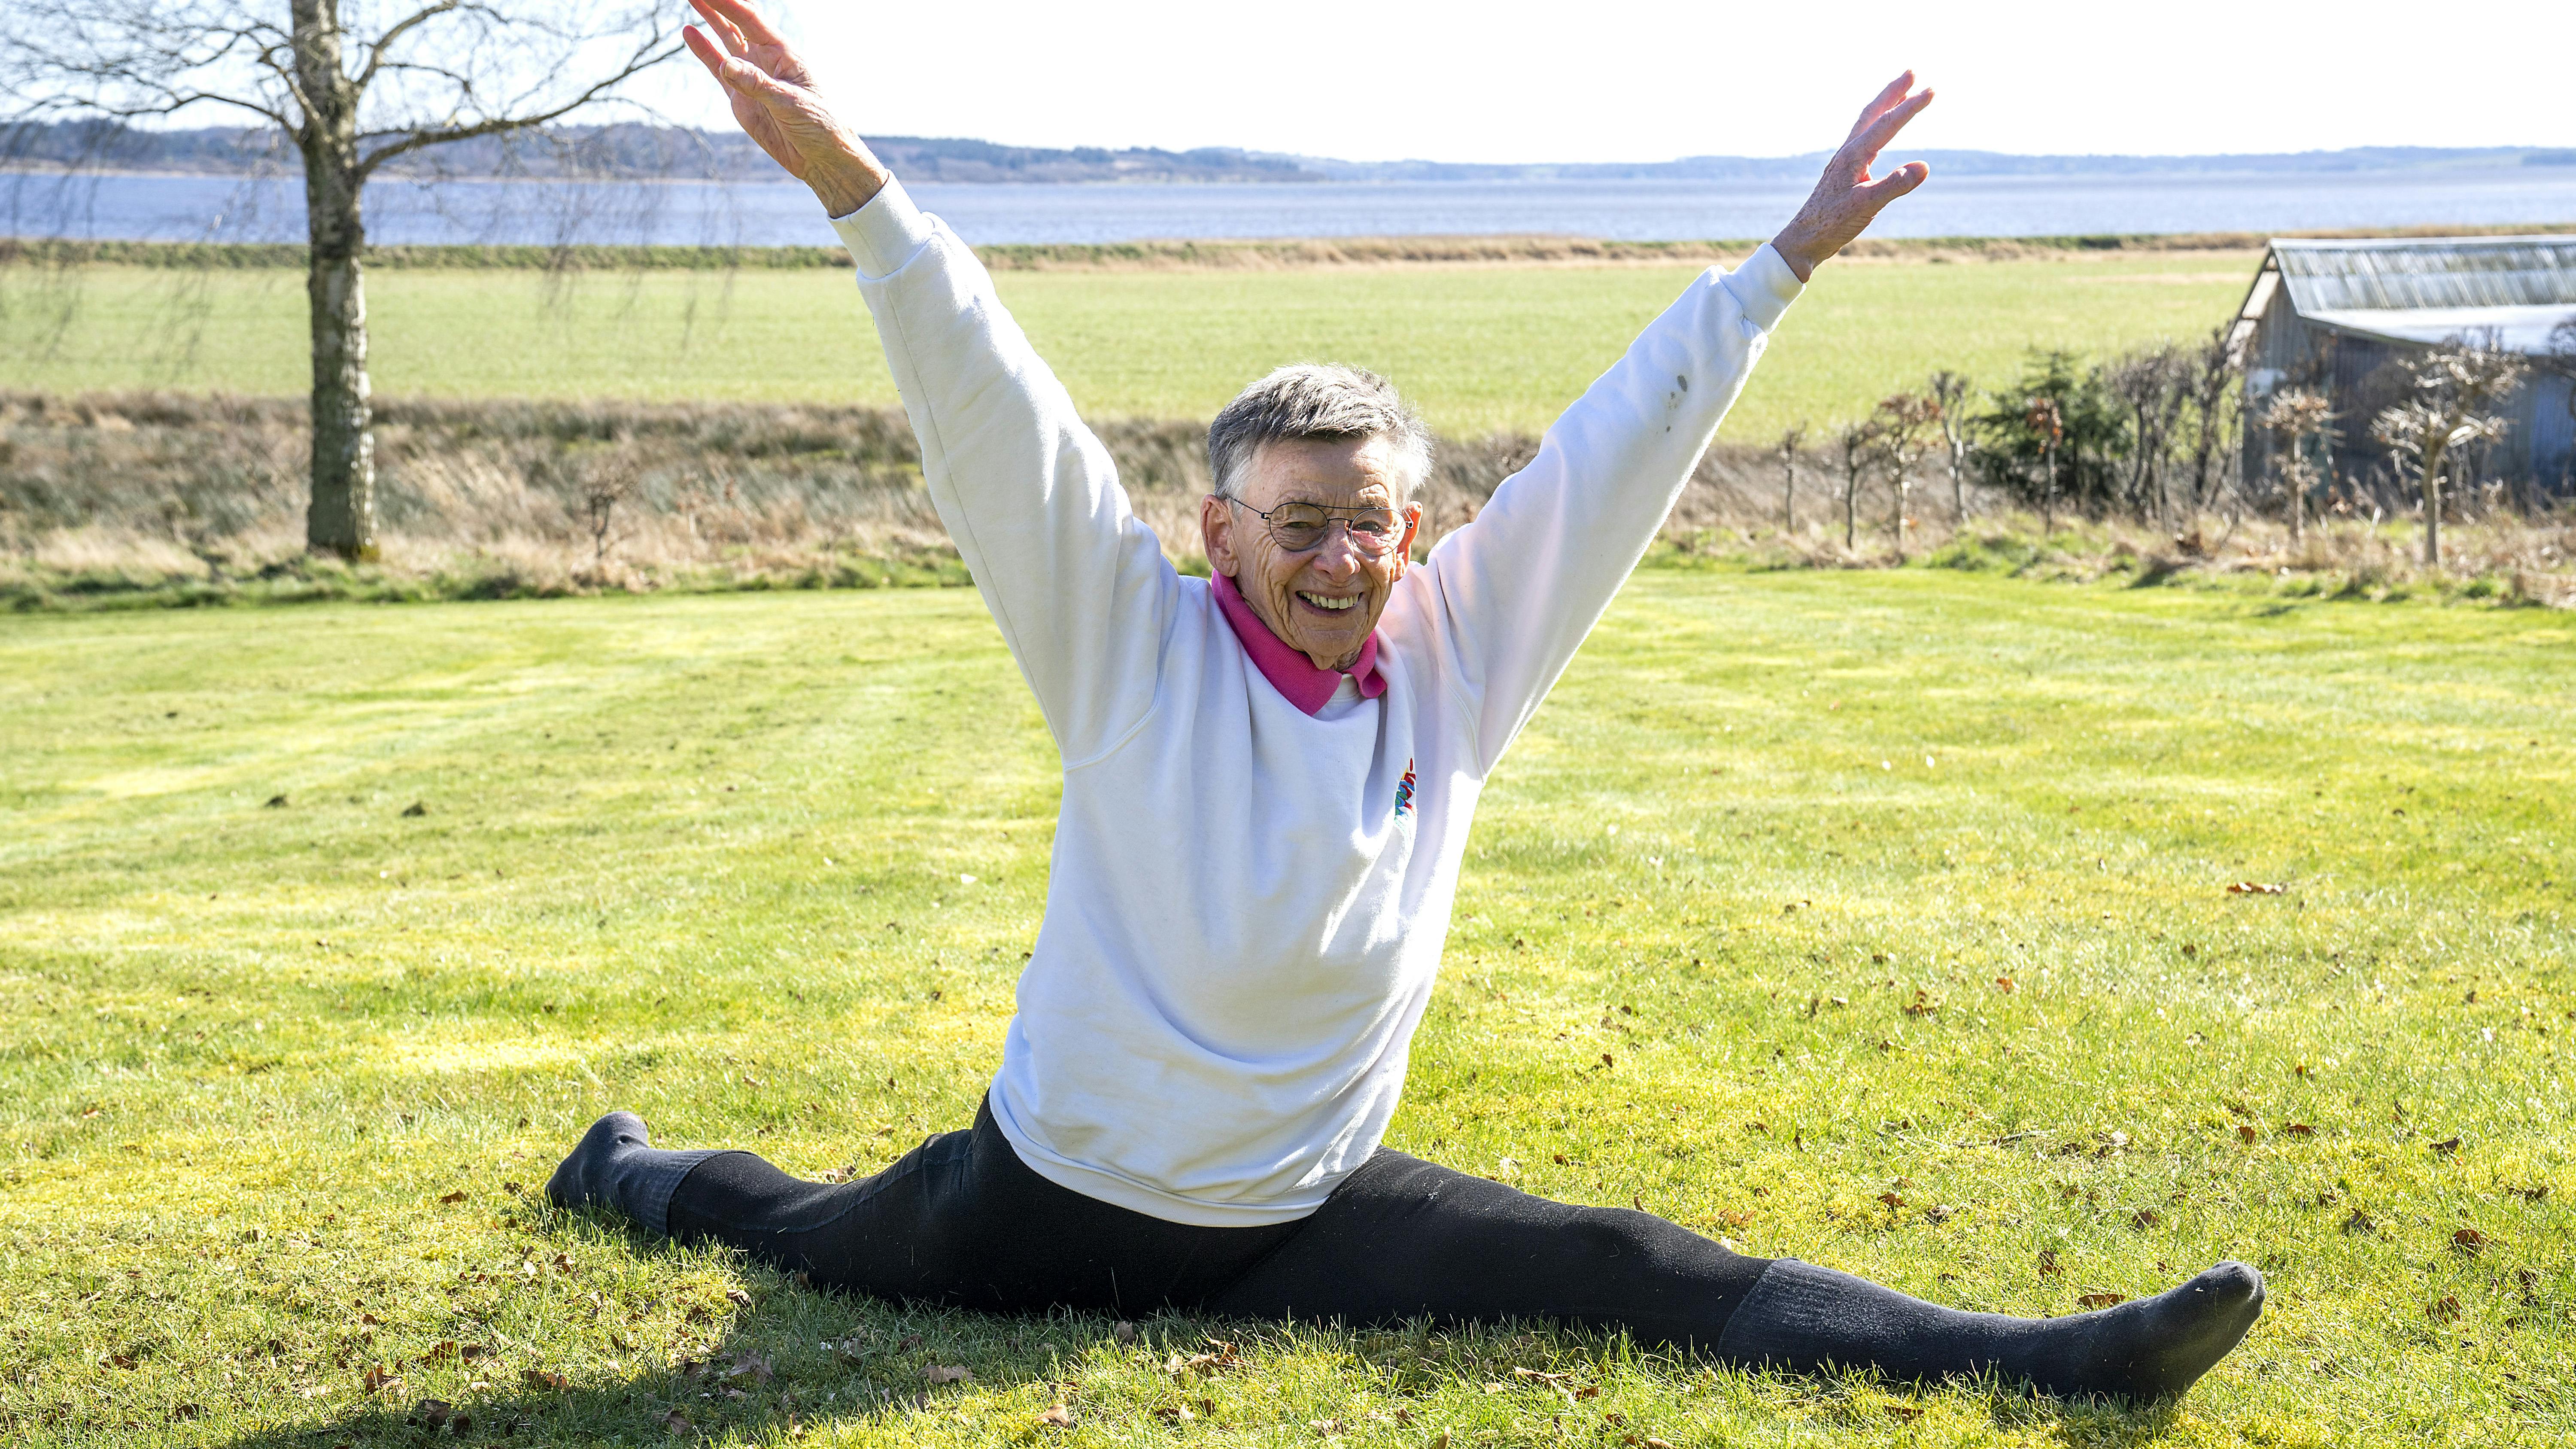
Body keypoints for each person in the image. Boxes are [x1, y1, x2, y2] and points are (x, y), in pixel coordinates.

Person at [550, 0, 2265, 1400]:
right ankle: (617, 1171)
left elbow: (1607, 465)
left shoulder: (1451, 665)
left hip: (1299, 1213)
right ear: (1218, 533)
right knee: (805, 1229)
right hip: (1046, 1209)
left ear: (1413, 535)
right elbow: (1004, 424)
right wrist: (865, 195)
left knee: (1620, 1267)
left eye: (1367, 522)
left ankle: (2062, 1363)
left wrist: (1782, 265)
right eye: (1295, 522)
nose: (1336, 557)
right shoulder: (1129, 651)